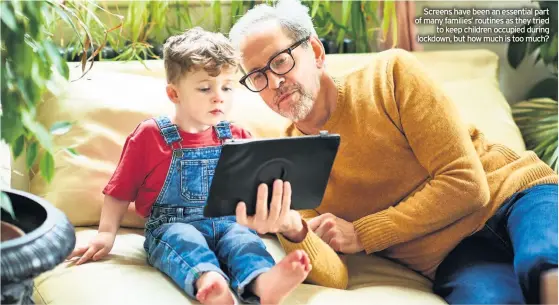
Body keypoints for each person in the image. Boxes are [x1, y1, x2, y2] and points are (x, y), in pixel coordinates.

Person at [227, 0, 559, 303]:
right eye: (257, 76)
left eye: (280, 62)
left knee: (545, 261)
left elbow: (467, 184)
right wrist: (292, 228)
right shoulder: (290, 164)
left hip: (517, 196)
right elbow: (335, 276)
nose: (273, 83)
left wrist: (361, 233)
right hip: (454, 255)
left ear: (315, 51)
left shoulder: (391, 75)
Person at [66, 27, 311, 305]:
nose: (219, 96)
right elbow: (120, 190)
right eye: (205, 88)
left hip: (230, 222)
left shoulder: (237, 136)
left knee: (244, 242)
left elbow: (254, 190)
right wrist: (106, 234)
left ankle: (263, 281)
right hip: (172, 223)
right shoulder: (151, 135)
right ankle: (209, 281)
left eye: (227, 87)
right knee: (184, 240)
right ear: (174, 93)